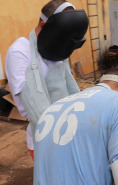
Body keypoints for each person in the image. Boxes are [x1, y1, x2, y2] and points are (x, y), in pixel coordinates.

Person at [5, 0, 88, 160]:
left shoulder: (56, 47)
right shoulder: (19, 52)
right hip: (46, 140)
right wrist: (62, 135)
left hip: (72, 131)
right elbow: (30, 107)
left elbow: (70, 87)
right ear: (45, 26)